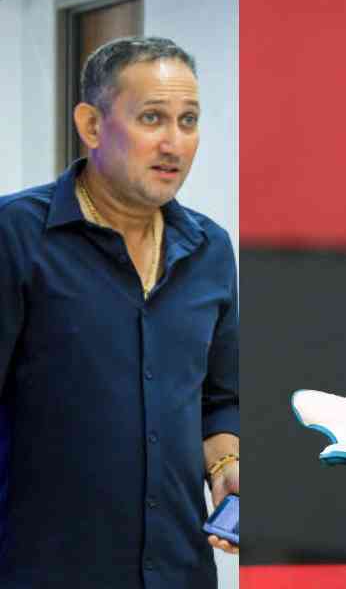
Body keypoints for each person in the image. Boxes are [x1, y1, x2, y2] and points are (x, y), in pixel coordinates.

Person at [0, 36, 239, 588]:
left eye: (189, 120)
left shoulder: (211, 250)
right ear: (91, 125)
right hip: (43, 572)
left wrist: (228, 470)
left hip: (178, 571)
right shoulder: (17, 236)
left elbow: (219, 399)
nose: (173, 143)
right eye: (152, 117)